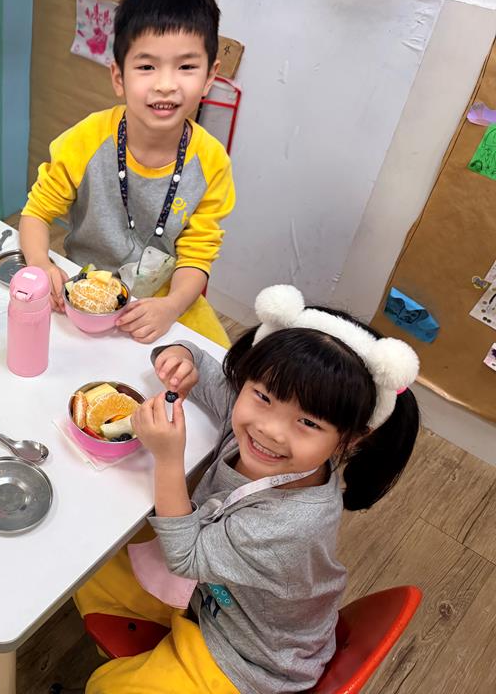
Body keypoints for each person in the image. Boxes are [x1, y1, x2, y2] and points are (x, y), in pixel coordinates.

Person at [74, 284, 420, 693]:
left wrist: (168, 458)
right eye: (264, 396)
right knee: (86, 567)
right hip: (215, 598)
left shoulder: (293, 525)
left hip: (251, 658)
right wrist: (183, 356)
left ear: (351, 440)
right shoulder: (254, 422)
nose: (269, 429)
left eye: (308, 423)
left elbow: (185, 556)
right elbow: (205, 369)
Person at [19, 0, 235, 346]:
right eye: (147, 67)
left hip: (164, 298)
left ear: (209, 76)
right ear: (118, 77)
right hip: (84, 286)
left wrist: (171, 306)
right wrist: (41, 262)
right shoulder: (87, 139)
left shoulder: (212, 163)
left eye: (186, 67)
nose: (166, 84)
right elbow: (36, 213)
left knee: (221, 360)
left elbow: (197, 257)